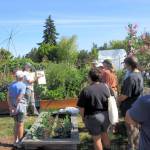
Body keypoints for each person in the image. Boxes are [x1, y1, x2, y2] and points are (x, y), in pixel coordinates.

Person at [77, 68, 111, 150]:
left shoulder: (86, 90)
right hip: (106, 116)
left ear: (90, 77)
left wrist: (83, 118)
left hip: (93, 117)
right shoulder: (106, 87)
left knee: (97, 139)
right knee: (105, 134)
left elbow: (81, 107)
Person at [118, 56, 143, 150]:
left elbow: (125, 96)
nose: (124, 66)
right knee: (136, 129)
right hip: (137, 105)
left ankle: (132, 147)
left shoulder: (131, 78)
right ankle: (136, 145)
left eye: (125, 64)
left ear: (129, 65)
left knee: (131, 129)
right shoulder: (139, 74)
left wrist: (117, 100)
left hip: (130, 108)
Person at [7, 70, 27, 147]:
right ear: (21, 77)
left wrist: (11, 107)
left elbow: (8, 97)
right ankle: (20, 143)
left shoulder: (11, 85)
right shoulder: (23, 85)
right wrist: (15, 107)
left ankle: (15, 141)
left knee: (16, 124)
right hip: (20, 106)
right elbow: (19, 97)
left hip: (12, 106)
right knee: (20, 124)